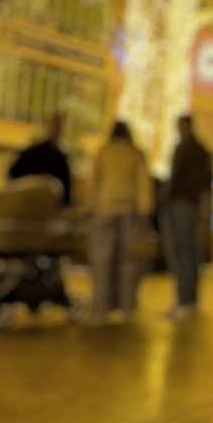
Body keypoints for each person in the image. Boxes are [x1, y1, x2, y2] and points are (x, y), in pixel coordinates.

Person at [87, 121, 154, 321]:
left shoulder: (103, 152)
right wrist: (144, 211)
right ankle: (127, 306)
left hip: (103, 209)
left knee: (102, 259)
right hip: (129, 210)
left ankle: (100, 306)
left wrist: (89, 208)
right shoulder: (136, 153)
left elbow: (93, 182)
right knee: (129, 259)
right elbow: (143, 183)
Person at [163, 114, 213, 319]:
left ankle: (183, 300)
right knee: (192, 253)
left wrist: (165, 199)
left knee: (182, 252)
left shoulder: (183, 148)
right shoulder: (202, 150)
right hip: (194, 204)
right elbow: (208, 181)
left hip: (180, 204)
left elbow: (175, 177)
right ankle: (191, 300)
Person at [8, 115, 72, 204]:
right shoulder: (32, 152)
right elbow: (14, 174)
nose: (56, 129)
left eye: (58, 127)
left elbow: (66, 191)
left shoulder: (61, 159)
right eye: (54, 126)